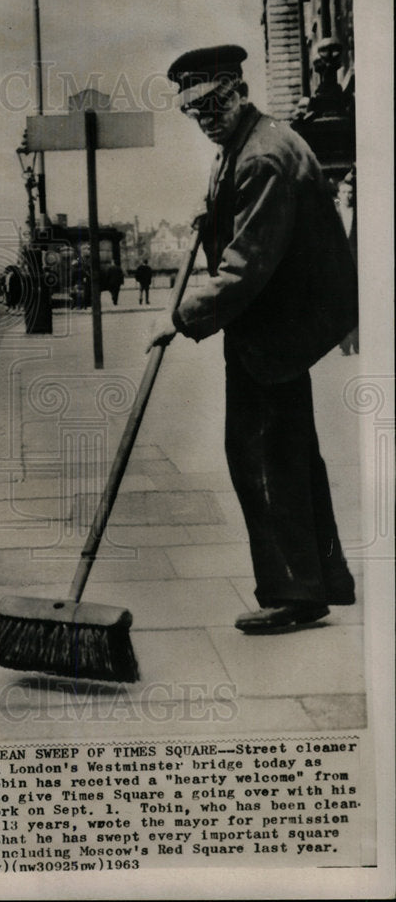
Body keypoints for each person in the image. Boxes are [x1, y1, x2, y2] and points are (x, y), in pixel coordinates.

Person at [149, 44, 358, 634]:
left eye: (215, 104)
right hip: (278, 322)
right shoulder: (249, 140)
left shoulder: (261, 155)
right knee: (289, 451)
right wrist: (210, 216)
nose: (207, 118)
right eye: (196, 111)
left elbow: (246, 266)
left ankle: (294, 594)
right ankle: (322, 578)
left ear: (238, 90)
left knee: (262, 456)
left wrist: (180, 317)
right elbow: (241, 219)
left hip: (277, 323)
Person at [335, 172, 359, 355]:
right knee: (342, 305)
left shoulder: (360, 216)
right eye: (344, 192)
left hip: (357, 266)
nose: (347, 196)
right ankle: (344, 345)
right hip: (339, 267)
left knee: (357, 304)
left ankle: (357, 343)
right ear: (338, 194)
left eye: (350, 192)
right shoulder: (333, 217)